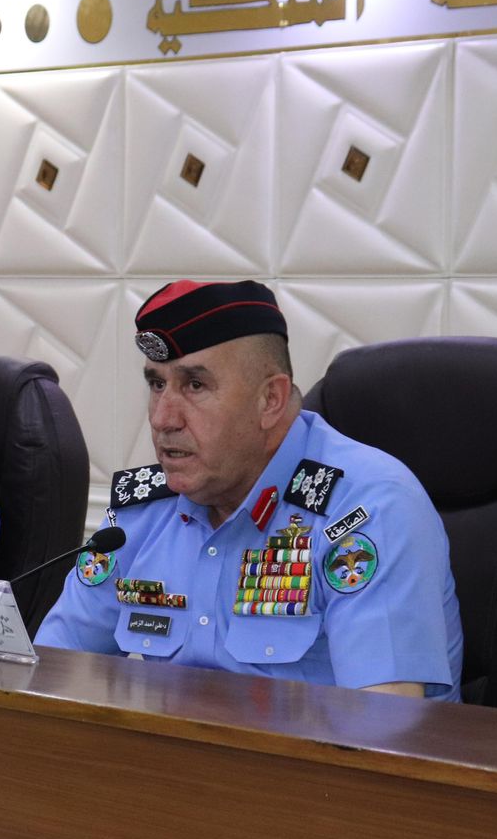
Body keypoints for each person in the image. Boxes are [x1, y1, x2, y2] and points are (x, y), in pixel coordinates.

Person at [36, 280, 463, 700]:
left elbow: (384, 721)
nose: (163, 418)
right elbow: (50, 673)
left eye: (195, 385)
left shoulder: (366, 508)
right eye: (157, 384)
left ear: (270, 400)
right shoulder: (142, 513)